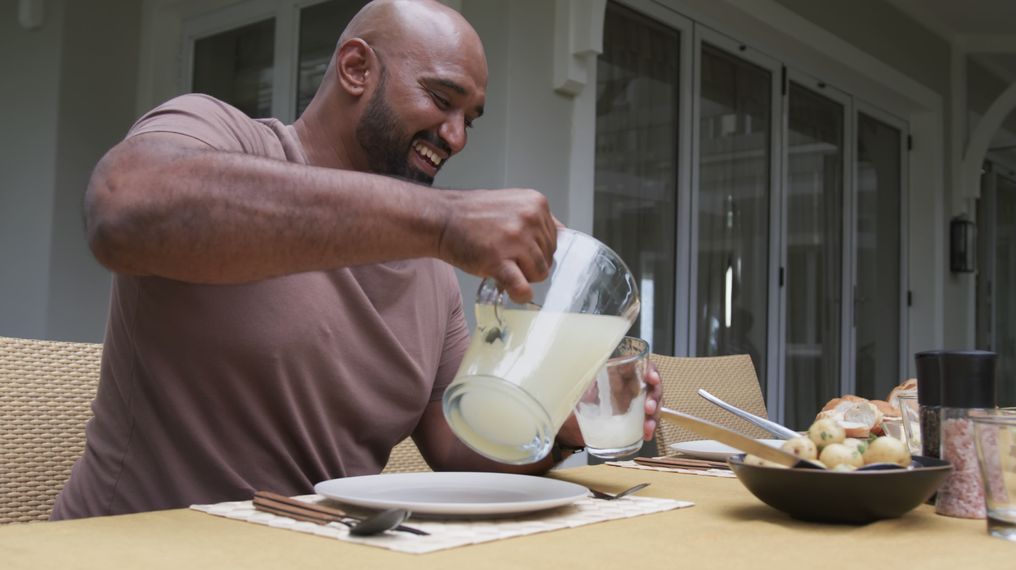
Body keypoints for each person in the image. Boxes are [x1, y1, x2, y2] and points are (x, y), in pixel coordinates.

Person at [52, 0, 662, 520]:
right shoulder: (221, 134)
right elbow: (122, 210)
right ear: (355, 68)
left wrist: (559, 422)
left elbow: (455, 446)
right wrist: (445, 222)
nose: (457, 138)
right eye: (440, 99)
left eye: (469, 119)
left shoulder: (428, 268)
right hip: (139, 546)